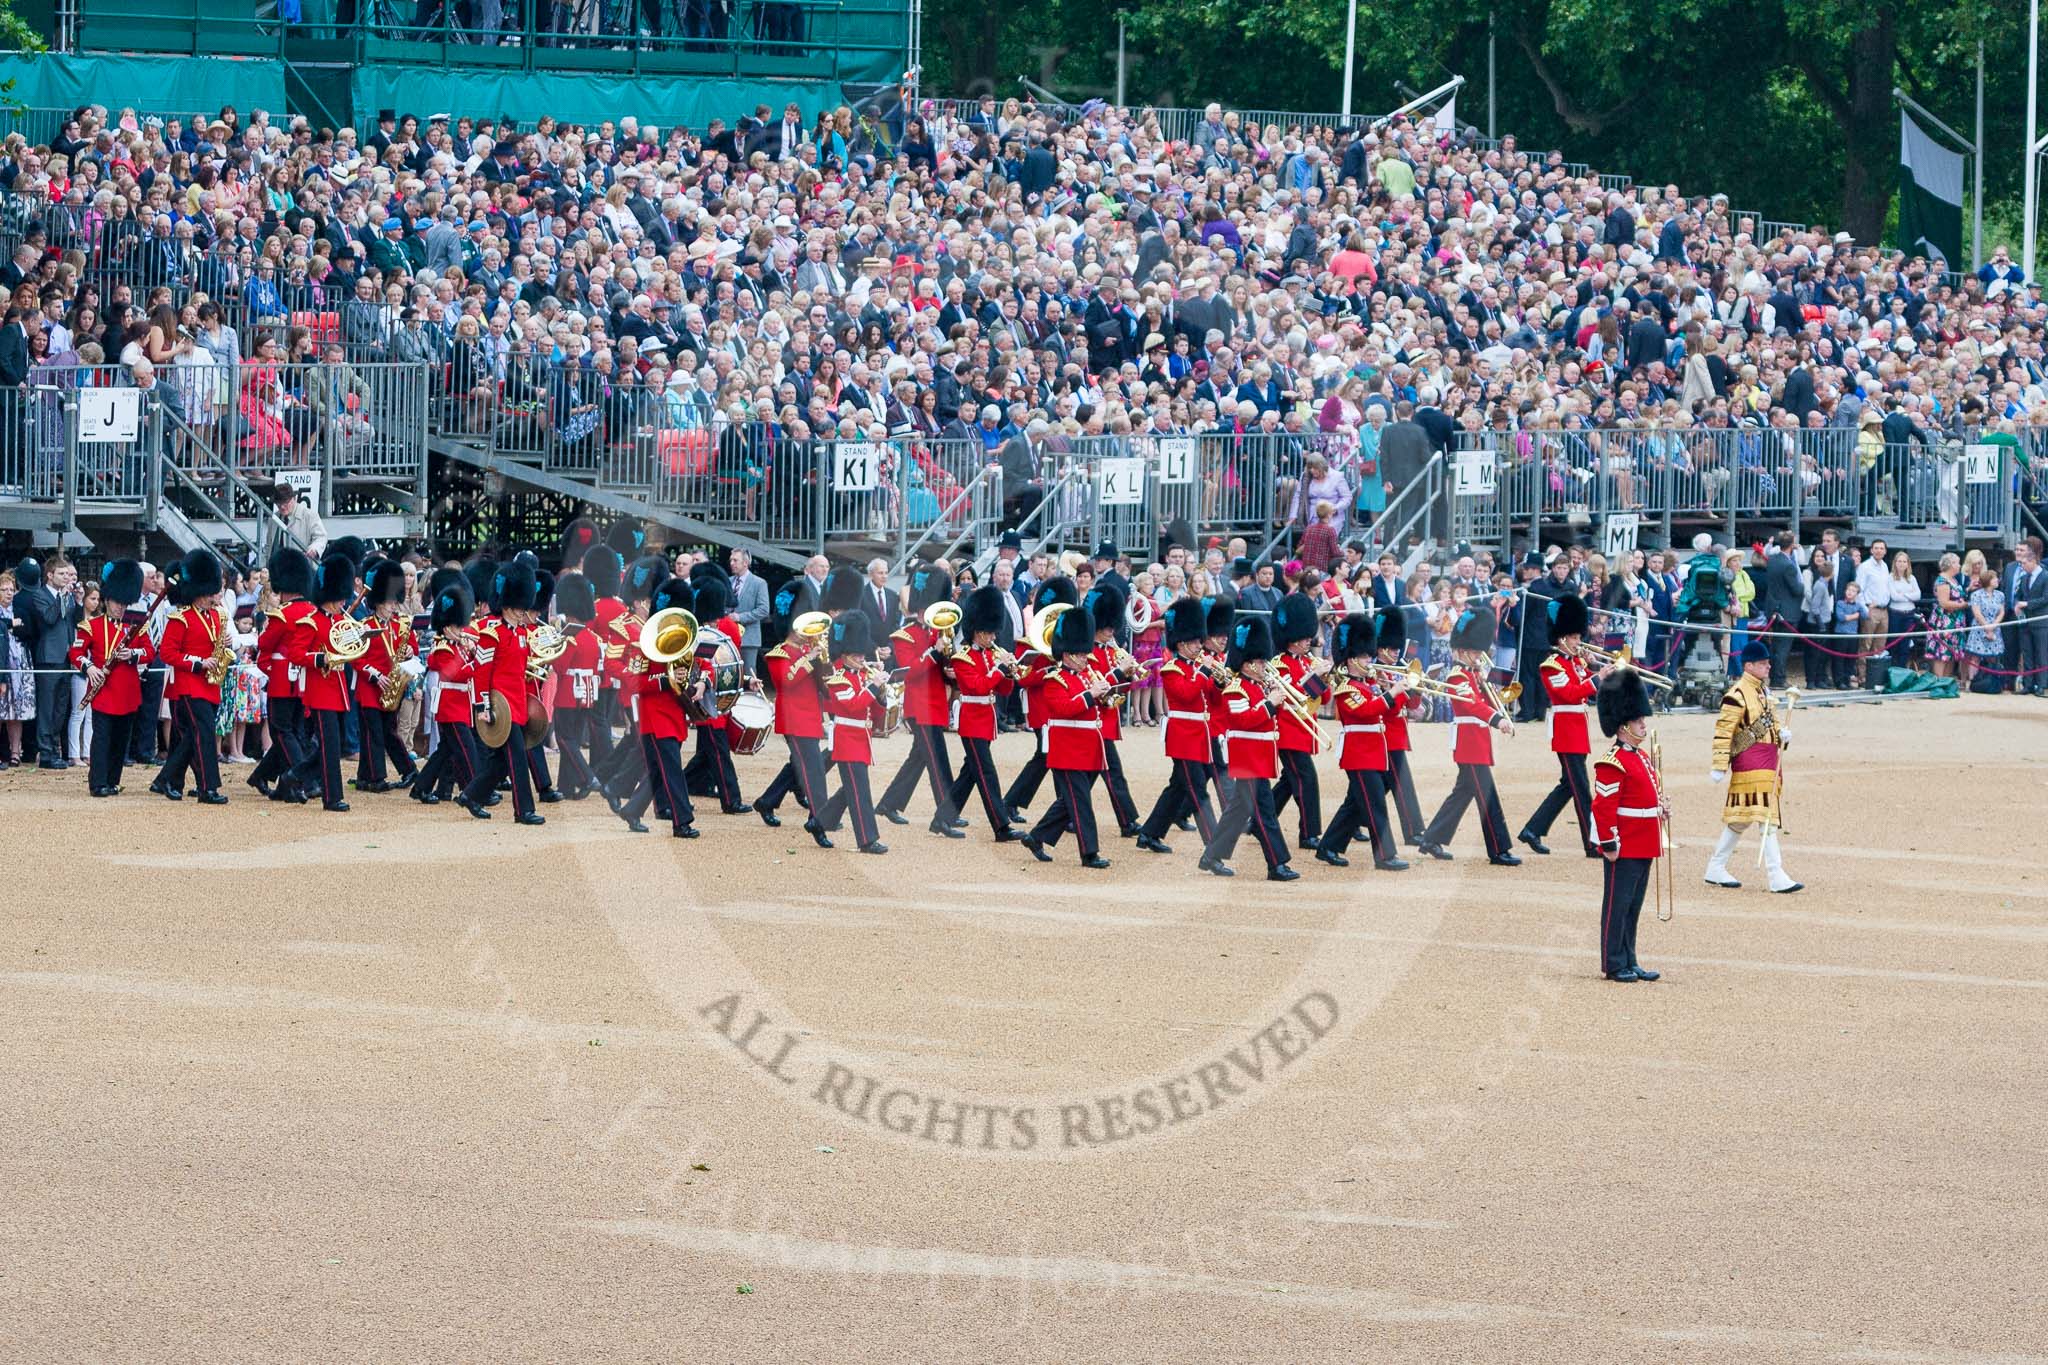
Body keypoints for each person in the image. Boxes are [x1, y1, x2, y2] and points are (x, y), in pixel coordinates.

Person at [1197, 614, 1298, 881]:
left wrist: (1277, 699)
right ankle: (1276, 864)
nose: (1265, 665)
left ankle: (1211, 855)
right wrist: (1269, 703)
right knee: (1264, 813)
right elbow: (1243, 720)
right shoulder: (1235, 689)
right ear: (1248, 663)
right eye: (1261, 661)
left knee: (1238, 810)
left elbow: (1272, 716)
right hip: (1247, 758)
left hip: (1259, 757)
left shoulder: (1257, 686)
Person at [1418, 607, 1520, 865]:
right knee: (1487, 796)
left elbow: (1488, 700)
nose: (1478, 656)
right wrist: (1498, 720)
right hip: (1469, 743)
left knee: (1463, 792)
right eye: (1475, 652)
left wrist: (1489, 684)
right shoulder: (1457, 676)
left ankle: (1432, 838)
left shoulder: (1474, 675)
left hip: (1478, 742)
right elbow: (1471, 705)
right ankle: (1498, 849)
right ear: (1462, 651)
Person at [1313, 612, 1409, 871]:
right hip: (1359, 754)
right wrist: (1390, 693)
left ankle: (1329, 847)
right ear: (1352, 659)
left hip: (1373, 753)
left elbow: (1388, 711)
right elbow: (1365, 711)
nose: (1370, 659)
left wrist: (1391, 689)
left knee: (1355, 805)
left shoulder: (1368, 685)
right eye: (1366, 656)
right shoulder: (1347, 688)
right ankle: (1385, 855)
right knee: (1375, 804)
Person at [1704, 641, 1802, 894]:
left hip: (1768, 759)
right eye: (1762, 663)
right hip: (1751, 762)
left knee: (1741, 819)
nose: (1768, 666)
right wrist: (1719, 765)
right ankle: (1775, 873)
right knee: (1765, 816)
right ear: (1748, 666)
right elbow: (1724, 732)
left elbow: (1773, 726)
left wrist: (1782, 735)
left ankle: (1716, 866)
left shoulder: (1765, 694)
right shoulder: (1736, 695)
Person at [1590, 667, 1667, 982]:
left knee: (1633, 906)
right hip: (1625, 844)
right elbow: (1603, 807)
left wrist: (1660, 808)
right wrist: (1609, 844)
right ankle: (1613, 962)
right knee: (1617, 905)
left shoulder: (1640, 757)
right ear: (1623, 726)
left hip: (1644, 840)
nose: (1643, 725)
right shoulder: (1613, 762)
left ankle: (1629, 958)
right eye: (1638, 721)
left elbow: (1644, 797)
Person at [1134, 597, 1226, 854]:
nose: (1200, 645)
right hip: (1183, 738)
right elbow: (1186, 694)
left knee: (1177, 788)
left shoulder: (1198, 667)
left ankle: (1149, 833)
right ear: (1182, 643)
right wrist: (1205, 673)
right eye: (1196, 642)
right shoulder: (1171, 669)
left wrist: (1219, 683)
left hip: (1200, 737)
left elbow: (1211, 698)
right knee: (1197, 790)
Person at [876, 564, 962, 835]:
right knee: (937, 759)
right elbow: (909, 670)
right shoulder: (904, 636)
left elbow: (944, 670)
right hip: (919, 705)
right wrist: (934, 654)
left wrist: (950, 668)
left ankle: (889, 804)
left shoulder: (940, 633)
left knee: (920, 758)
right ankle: (944, 817)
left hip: (937, 703)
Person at [458, 560, 546, 827]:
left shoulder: (520, 632)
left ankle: (471, 795)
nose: (523, 613)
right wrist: (482, 706)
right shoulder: (490, 632)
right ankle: (523, 810)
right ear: (506, 605)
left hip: (518, 703)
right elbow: (481, 672)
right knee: (517, 757)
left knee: (500, 763)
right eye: (520, 608)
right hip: (499, 705)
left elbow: (522, 668)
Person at [614, 573, 701, 839]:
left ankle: (633, 809)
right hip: (655, 716)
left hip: (672, 713)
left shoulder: (681, 639)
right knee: (671, 770)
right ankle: (681, 821)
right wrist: (666, 681)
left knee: (657, 770)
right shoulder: (646, 643)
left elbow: (695, 667)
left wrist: (700, 681)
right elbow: (636, 681)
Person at [1517, 595, 1602, 858]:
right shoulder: (1551, 665)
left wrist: (1594, 667)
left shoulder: (1575, 662)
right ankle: (1591, 843)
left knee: (1568, 785)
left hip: (1578, 729)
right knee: (1580, 788)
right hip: (1566, 731)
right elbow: (1570, 693)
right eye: (1575, 637)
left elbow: (1589, 689)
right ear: (1562, 637)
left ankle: (1533, 829)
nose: (1579, 641)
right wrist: (1597, 677)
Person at [940, 585, 1024, 842]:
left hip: (986, 719)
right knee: (986, 773)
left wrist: (1009, 673)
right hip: (972, 720)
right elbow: (977, 686)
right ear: (976, 632)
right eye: (987, 633)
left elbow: (1002, 688)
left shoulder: (991, 654)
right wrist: (999, 668)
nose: (992, 637)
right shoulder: (962, 658)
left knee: (970, 773)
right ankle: (1001, 826)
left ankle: (942, 818)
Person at [153, 548, 230, 804]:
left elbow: (215, 644)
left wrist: (227, 642)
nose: (213, 597)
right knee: (204, 733)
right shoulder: (181, 618)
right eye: (209, 592)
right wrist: (198, 663)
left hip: (208, 685)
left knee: (186, 737)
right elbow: (167, 653)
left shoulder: (216, 615)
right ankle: (208, 787)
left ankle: (167, 780)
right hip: (187, 684)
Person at [70, 558, 151, 797]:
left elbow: (150, 652)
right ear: (107, 600)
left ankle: (113, 780)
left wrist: (133, 654)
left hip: (127, 691)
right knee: (102, 739)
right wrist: (90, 668)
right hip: (104, 689)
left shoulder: (135, 627)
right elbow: (75, 652)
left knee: (120, 740)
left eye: (124, 603)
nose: (120, 607)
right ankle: (97, 783)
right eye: (117, 602)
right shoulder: (91, 625)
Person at [287, 555, 360, 813]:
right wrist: (321, 658)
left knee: (336, 745)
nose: (344, 601)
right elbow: (295, 654)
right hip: (320, 689)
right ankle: (332, 797)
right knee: (329, 746)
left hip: (338, 689)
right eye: (340, 596)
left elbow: (350, 648)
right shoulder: (311, 621)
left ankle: (294, 777)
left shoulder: (341, 621)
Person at [1002, 577, 1078, 819]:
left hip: (1063, 706)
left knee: (1051, 757)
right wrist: (1047, 670)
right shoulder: (1030, 643)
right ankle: (1064, 808)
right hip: (1042, 708)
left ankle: (1017, 802)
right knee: (1048, 755)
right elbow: (1023, 679)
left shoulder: (1068, 642)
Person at [249, 548, 318, 802]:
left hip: (281, 678)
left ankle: (304, 779)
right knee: (295, 732)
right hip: (303, 680)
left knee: (281, 731)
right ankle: (273, 782)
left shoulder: (283, 614)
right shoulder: (312, 611)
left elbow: (265, 643)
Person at [822, 611, 891, 856]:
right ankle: (867, 839)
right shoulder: (838, 679)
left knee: (851, 787)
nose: (862, 659)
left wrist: (881, 692)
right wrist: (874, 686)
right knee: (860, 791)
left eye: (862, 654)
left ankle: (820, 822)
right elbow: (853, 706)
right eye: (857, 655)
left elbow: (874, 709)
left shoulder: (861, 675)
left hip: (861, 739)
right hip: (847, 739)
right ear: (845, 655)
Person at [1267, 593, 1331, 851]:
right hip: (1288, 730)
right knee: (1306, 779)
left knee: (1288, 781)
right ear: (1291, 639)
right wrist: (1314, 677)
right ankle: (1309, 833)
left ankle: (1257, 819)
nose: (1309, 640)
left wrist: (1324, 677)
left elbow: (1323, 696)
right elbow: (1293, 694)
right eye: (1305, 637)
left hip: (1305, 729)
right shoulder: (1279, 664)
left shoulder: (1308, 661)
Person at [411, 576, 479, 807]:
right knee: (466, 750)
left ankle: (421, 788)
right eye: (458, 626)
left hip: (460, 705)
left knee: (443, 752)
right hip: (450, 707)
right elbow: (456, 673)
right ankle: (476, 790)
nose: (462, 630)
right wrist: (472, 657)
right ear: (448, 627)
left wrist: (469, 652)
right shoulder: (442, 648)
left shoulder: (455, 646)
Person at [353, 561, 420, 793]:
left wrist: (411, 650)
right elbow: (357, 658)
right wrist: (375, 675)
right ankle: (374, 777)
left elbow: (412, 647)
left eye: (394, 602)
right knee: (372, 734)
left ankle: (402, 771)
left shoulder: (400, 625)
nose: (393, 607)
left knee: (388, 733)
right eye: (390, 602)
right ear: (378, 602)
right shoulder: (365, 625)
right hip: (371, 688)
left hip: (392, 688)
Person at [1084, 581, 1144, 836]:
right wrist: (1120, 672)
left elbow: (1119, 689)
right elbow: (1100, 685)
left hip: (1107, 720)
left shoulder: (1111, 650)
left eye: (1112, 626)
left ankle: (1068, 815)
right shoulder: (1088, 653)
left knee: (1092, 777)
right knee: (1111, 774)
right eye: (1107, 627)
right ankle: (1127, 821)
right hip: (1095, 723)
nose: (1111, 631)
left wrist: (1130, 676)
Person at [14, 556, 82, 769]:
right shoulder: (39, 595)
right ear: (50, 575)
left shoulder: (68, 596)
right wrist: (61, 597)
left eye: (67, 574)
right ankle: (45, 752)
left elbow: (75, 621)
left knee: (61, 707)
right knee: (47, 706)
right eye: (61, 574)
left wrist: (78, 601)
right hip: (48, 656)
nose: (65, 578)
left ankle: (54, 749)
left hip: (65, 656)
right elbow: (50, 619)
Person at [549, 569, 604, 800]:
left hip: (568, 694)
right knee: (573, 738)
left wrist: (553, 648)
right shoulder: (592, 637)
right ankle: (566, 786)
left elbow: (560, 668)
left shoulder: (570, 637)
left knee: (564, 739)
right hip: (587, 694)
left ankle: (588, 776)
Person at [1964, 570, 2004, 690]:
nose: (1997, 580)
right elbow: (1977, 613)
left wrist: (1994, 626)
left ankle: (1991, 682)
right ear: (1988, 581)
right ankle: (1973, 682)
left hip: (1995, 628)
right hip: (1980, 629)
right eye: (1994, 578)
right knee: (1975, 658)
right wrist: (1987, 627)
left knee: (1992, 657)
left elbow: (2001, 612)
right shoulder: (1976, 595)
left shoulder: (2000, 595)